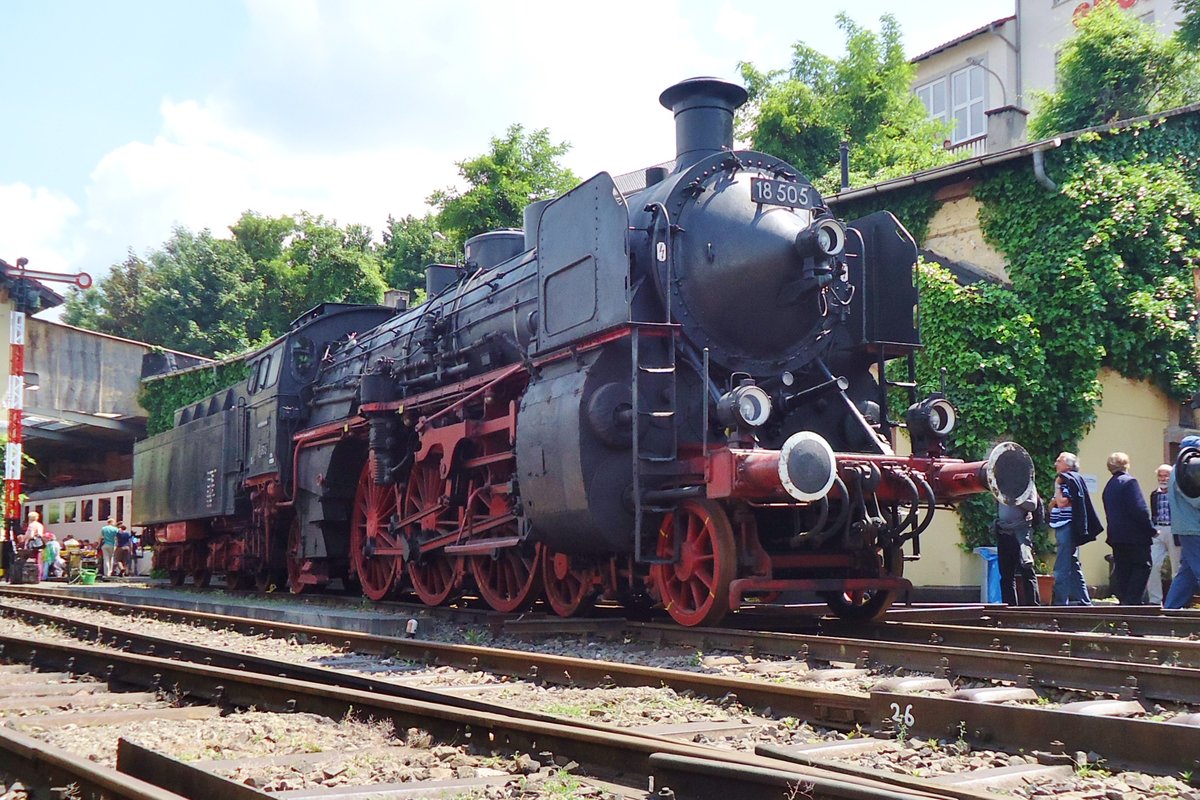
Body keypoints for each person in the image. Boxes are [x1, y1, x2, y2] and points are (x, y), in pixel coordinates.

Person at [1101, 452, 1155, 604]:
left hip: (1116, 536)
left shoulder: (1109, 486)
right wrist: (1151, 529)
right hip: (1135, 536)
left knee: (1123, 569)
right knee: (1142, 566)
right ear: (1126, 464)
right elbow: (1139, 509)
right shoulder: (1130, 482)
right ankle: (1133, 602)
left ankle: (1124, 601)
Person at [1050, 451, 1101, 605]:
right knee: (1072, 563)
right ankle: (1085, 602)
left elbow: (1061, 502)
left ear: (1068, 465)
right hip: (1065, 526)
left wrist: (1057, 486)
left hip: (1066, 526)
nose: (1056, 463)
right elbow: (1053, 504)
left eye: (1059, 460)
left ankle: (1060, 604)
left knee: (1062, 566)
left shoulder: (1065, 480)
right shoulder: (1071, 480)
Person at [1165, 436, 1200, 609]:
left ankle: (1170, 609)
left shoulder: (1176, 470)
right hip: (1194, 528)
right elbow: (1196, 500)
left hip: (1187, 528)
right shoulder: (1186, 471)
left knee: (1186, 574)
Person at [992, 491, 1042, 606]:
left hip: (1021, 533)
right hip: (1004, 532)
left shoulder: (1027, 485)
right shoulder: (1001, 486)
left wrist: (1014, 499)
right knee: (1006, 575)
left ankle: (1033, 607)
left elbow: (1032, 505)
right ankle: (1009, 608)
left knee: (1027, 571)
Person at [1147, 464, 1181, 605]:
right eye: (1160, 476)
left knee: (1176, 567)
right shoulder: (1155, 494)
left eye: (1166, 475)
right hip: (1158, 530)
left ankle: (1176, 602)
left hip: (1174, 530)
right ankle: (1155, 600)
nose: (1163, 478)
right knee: (1153, 564)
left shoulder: (1177, 493)